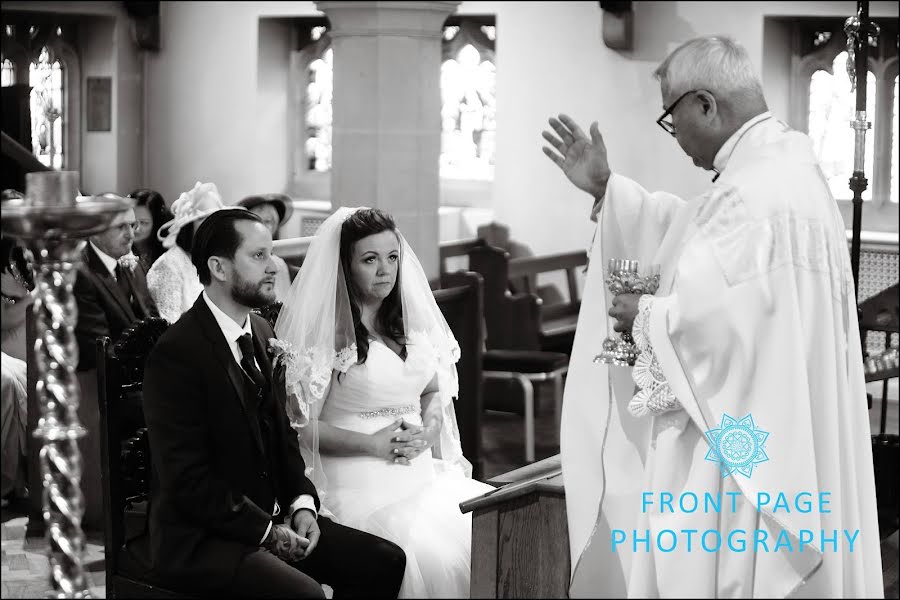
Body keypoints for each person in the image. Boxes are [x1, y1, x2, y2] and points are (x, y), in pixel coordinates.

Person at [542, 36, 883, 598]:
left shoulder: (752, 192)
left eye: (672, 121)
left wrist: (645, 317)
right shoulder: (788, 170)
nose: (677, 141)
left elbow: (723, 325)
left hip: (746, 457)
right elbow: (702, 242)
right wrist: (609, 189)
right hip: (791, 432)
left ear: (705, 104)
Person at [141, 208, 406, 597]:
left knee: (384, 560)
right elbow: (187, 480)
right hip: (205, 537)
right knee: (305, 595)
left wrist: (301, 505)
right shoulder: (178, 352)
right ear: (218, 267)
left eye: (271, 254)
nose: (272, 267)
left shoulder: (263, 331)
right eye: (258, 256)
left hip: (272, 516)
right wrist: (266, 531)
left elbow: (285, 437)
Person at [275, 207, 494, 598]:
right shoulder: (327, 335)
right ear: (346, 265)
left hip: (423, 477)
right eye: (370, 259)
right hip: (362, 484)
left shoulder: (406, 322)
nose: (385, 270)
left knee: (488, 534)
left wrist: (429, 429)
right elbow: (300, 427)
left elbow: (429, 390)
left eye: (392, 257)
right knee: (435, 559)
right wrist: (372, 443)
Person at [74, 194, 159, 372]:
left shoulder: (134, 267)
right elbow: (99, 350)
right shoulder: (81, 274)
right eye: (121, 226)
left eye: (132, 225)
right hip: (103, 384)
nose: (131, 235)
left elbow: (153, 322)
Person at [147, 181, 224, 324]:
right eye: (203, 220)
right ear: (189, 227)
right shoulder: (168, 265)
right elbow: (168, 324)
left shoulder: (210, 261)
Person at [0, 229, 31, 507]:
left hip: (30, 340)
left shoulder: (28, 268)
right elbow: (4, 318)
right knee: (11, 378)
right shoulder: (2, 271)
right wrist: (34, 300)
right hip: (8, 340)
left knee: (22, 374)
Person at [236, 193, 294, 301]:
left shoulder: (280, 265)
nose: (267, 227)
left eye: (271, 222)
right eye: (263, 221)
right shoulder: (236, 260)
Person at [128, 188, 173, 269]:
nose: (136, 229)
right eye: (131, 222)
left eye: (144, 223)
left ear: (156, 223)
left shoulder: (168, 255)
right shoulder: (118, 247)